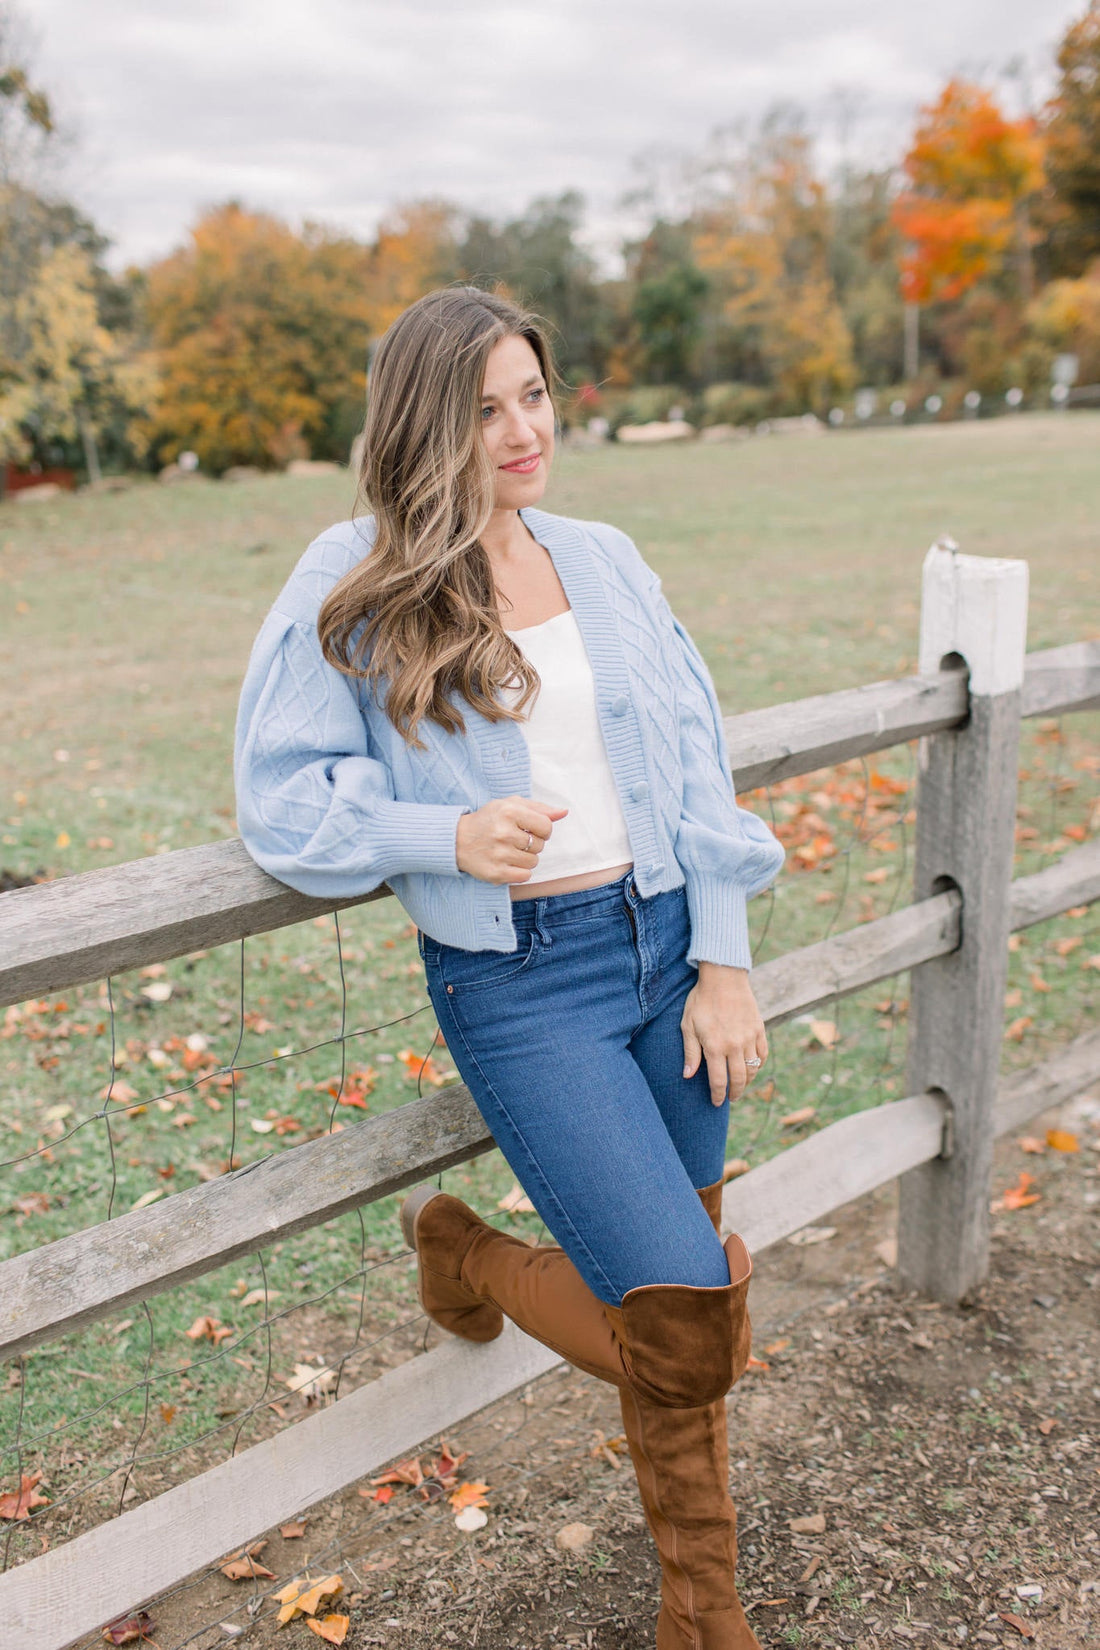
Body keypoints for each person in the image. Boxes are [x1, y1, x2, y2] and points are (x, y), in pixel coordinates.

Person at [234, 286, 786, 1649]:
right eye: (485, 410)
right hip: (525, 982)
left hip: (671, 953)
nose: (524, 429)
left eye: (533, 394)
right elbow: (279, 798)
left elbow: (698, 759)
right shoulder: (352, 574)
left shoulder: (603, 552)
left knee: (683, 1294)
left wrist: (724, 955)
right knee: (684, 1323)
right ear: (427, 425)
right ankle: (466, 1249)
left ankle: (700, 1611)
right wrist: (443, 832)